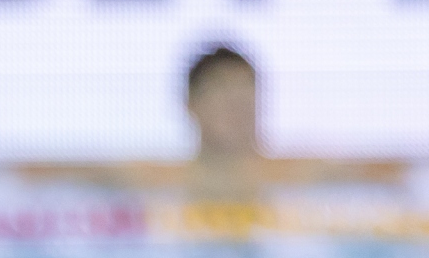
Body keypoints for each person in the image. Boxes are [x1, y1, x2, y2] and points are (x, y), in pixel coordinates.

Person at [21, 45, 404, 210]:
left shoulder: (299, 172)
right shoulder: (155, 177)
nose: (237, 108)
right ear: (190, 105)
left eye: (245, 95)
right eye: (223, 95)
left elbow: (391, 173)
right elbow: (44, 173)